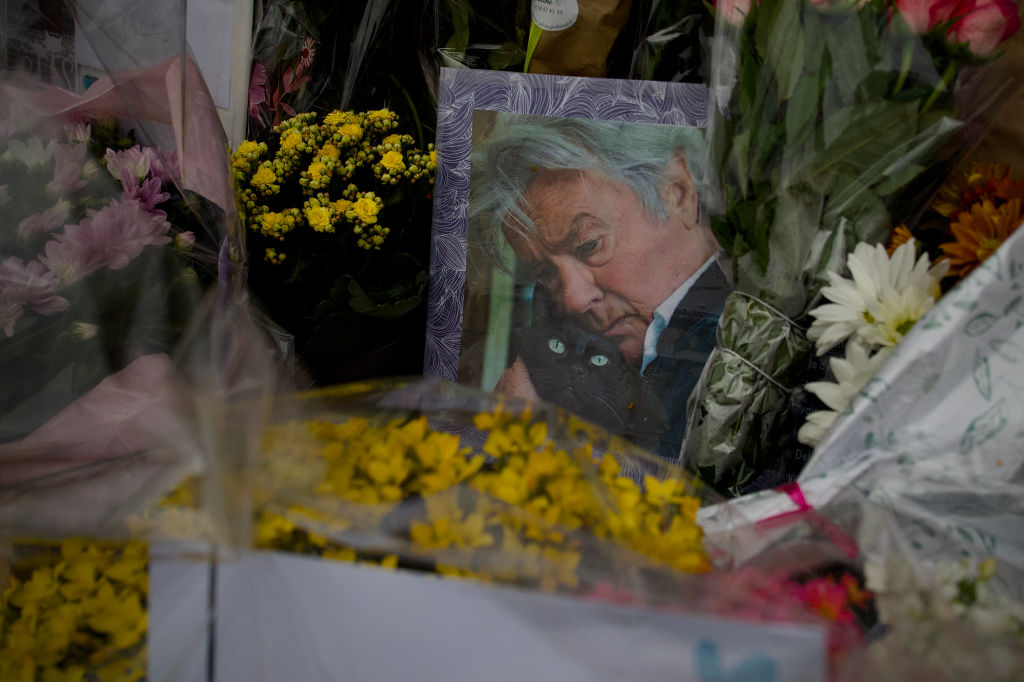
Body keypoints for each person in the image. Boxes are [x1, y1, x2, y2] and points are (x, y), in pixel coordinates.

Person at [469, 113, 731, 462]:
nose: (573, 299)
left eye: (590, 245)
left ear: (676, 191)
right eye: (546, 272)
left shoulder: (749, 342)